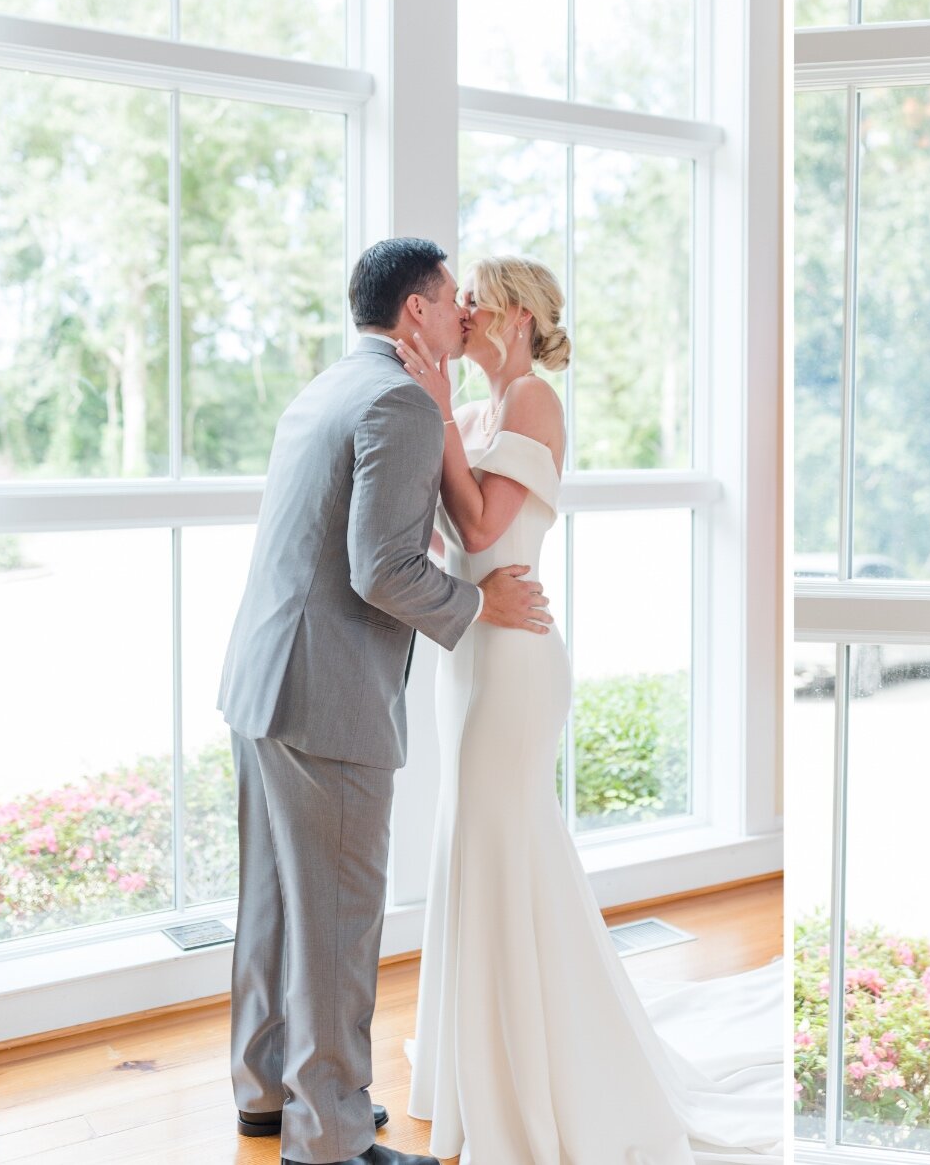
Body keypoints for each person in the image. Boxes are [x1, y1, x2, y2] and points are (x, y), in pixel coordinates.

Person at [390, 255, 781, 1163]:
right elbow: (456, 535)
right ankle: (477, 1061)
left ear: (520, 316)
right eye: (465, 300)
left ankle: (531, 1071)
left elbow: (486, 531)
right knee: (477, 845)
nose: (469, 311)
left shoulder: (532, 403)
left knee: (504, 841)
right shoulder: (484, 411)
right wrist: (446, 416)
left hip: (518, 661)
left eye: (482, 300)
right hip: (471, 649)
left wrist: (439, 406)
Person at [218, 238, 552, 1165]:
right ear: (417, 310)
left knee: (275, 906)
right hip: (326, 698)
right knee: (336, 916)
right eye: (454, 301)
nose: (465, 316)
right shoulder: (403, 400)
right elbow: (381, 570)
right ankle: (327, 1138)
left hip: (262, 679)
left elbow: (347, 540)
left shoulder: (332, 385)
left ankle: (263, 1092)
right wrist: (482, 601)